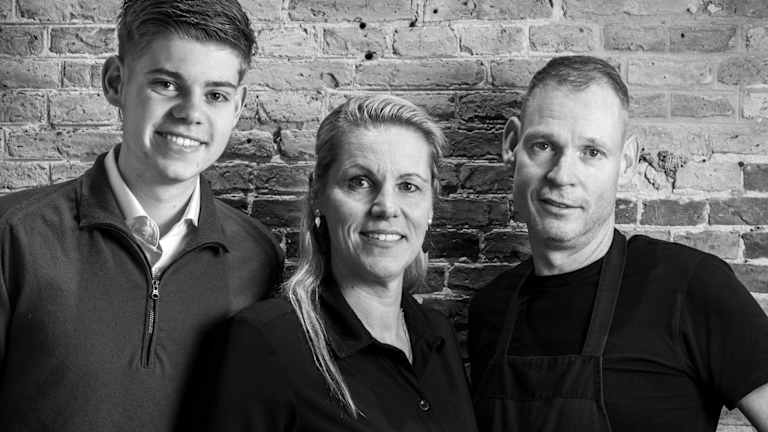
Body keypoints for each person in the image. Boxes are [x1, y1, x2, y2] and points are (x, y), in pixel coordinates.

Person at [0, 1, 283, 430]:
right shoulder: (13, 236)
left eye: (216, 95)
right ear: (116, 82)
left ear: (238, 106)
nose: (191, 113)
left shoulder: (258, 256)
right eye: (166, 84)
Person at [468, 55, 768, 432]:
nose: (562, 175)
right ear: (512, 144)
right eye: (544, 145)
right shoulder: (490, 310)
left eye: (592, 152)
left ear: (625, 162)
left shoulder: (690, 286)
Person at [210, 95, 478, 432]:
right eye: (360, 182)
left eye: (409, 186)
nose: (386, 207)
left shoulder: (437, 334)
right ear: (318, 194)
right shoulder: (266, 341)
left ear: (431, 207)